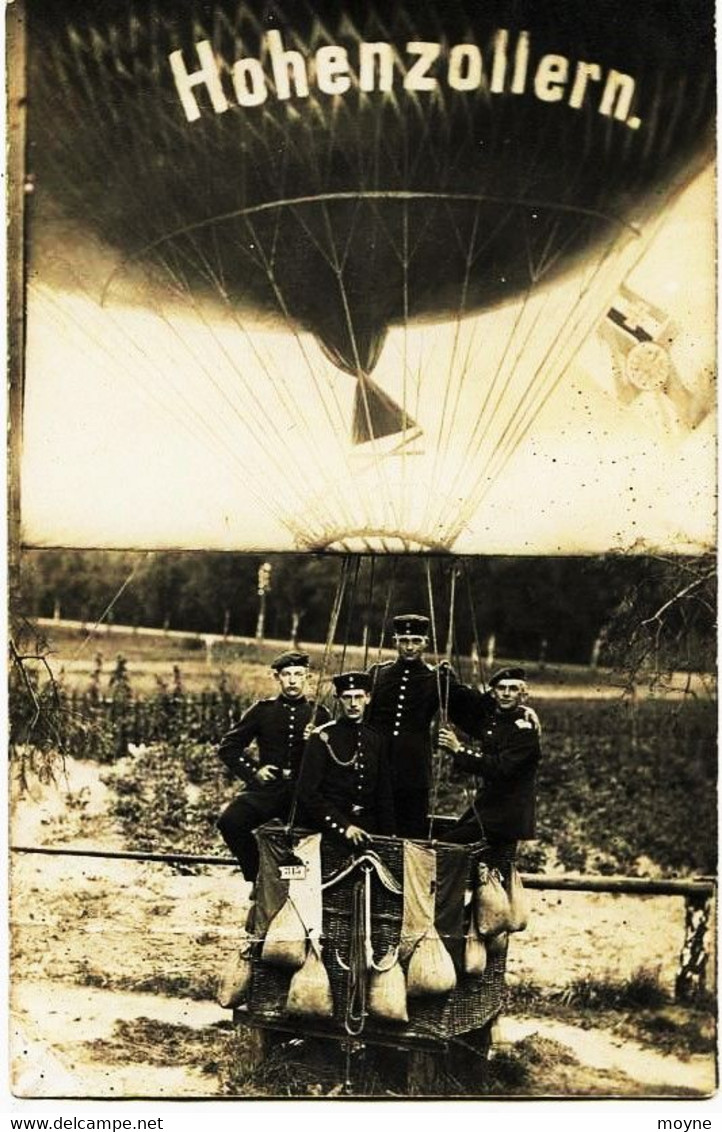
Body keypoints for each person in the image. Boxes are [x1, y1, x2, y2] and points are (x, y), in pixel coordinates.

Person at [216, 651, 331, 883]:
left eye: (298, 674)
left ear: (308, 677)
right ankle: (259, 878)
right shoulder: (262, 711)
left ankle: (319, 888)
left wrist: (317, 741)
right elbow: (228, 747)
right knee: (230, 822)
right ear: (277, 678)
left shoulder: (320, 714)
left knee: (329, 832)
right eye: (286, 674)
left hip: (303, 793)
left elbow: (334, 760)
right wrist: (254, 772)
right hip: (268, 791)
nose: (292, 680)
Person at [365, 613, 459, 839]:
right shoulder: (378, 674)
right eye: (404, 641)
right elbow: (361, 718)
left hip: (414, 770)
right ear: (395, 641)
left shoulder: (436, 677)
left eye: (416, 641)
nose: (409, 647)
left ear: (425, 643)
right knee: (375, 828)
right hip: (378, 766)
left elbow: (466, 709)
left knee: (412, 830)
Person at [437, 666, 541, 849]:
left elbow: (501, 768)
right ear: (493, 693)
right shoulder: (495, 720)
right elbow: (466, 712)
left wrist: (458, 749)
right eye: (501, 688)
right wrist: (447, 678)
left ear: (523, 695)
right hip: (489, 809)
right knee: (449, 839)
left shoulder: (525, 730)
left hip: (506, 816)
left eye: (513, 689)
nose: (506, 694)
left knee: (446, 847)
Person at [298, 671, 396, 846]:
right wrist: (344, 827)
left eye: (358, 697)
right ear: (337, 698)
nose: (353, 704)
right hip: (331, 827)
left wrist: (389, 837)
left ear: (368, 698)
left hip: (370, 827)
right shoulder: (321, 736)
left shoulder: (376, 739)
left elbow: (384, 793)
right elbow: (308, 793)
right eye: (346, 697)